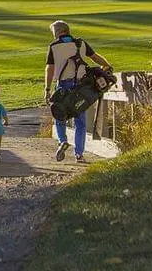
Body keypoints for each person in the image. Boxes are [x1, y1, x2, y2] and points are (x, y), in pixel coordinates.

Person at [45, 19, 111, 164]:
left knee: (59, 115)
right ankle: (79, 154)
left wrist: (47, 89)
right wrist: (107, 65)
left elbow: (50, 69)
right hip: (80, 87)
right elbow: (95, 58)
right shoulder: (81, 44)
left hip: (62, 86)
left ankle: (62, 141)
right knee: (80, 121)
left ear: (58, 32)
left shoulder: (54, 46)